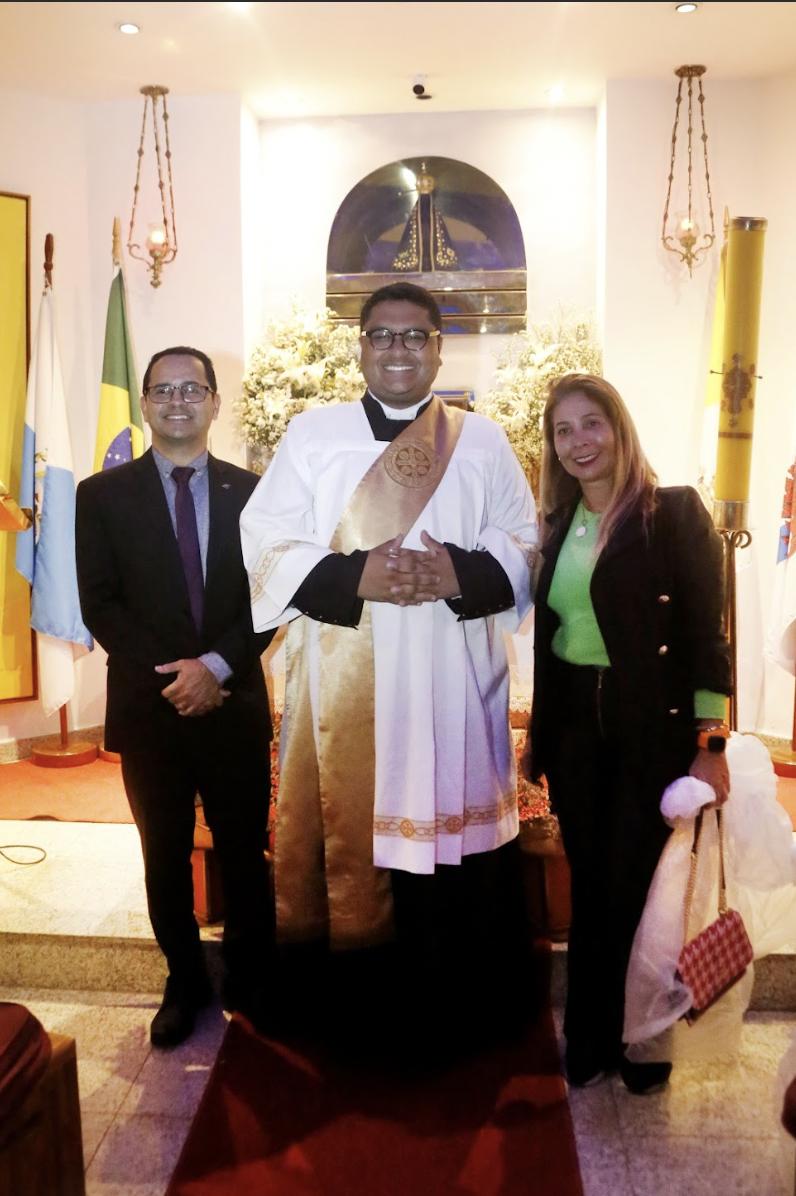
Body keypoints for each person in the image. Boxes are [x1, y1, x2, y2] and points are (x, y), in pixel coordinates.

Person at [239, 282, 537, 1037]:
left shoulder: (482, 440)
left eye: (414, 336)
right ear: (361, 347)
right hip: (345, 661)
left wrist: (458, 573)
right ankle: (352, 1021)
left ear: (440, 347)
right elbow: (265, 535)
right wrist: (354, 576)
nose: (398, 350)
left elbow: (524, 537)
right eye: (382, 336)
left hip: (451, 668)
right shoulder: (314, 435)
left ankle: (455, 1013)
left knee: (446, 825)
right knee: (353, 832)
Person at [522, 372, 731, 1093]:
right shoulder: (556, 526)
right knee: (591, 883)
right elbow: (552, 640)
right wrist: (539, 738)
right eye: (563, 431)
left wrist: (712, 743)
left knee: (638, 887)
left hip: (653, 725)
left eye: (592, 424)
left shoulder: (670, 514)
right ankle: (588, 1035)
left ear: (619, 427)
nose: (579, 442)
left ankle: (644, 1041)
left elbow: (707, 631)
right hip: (578, 722)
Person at [76, 347, 274, 1048]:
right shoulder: (100, 496)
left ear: (216, 402)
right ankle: (184, 981)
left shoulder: (255, 494)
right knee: (162, 856)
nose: (179, 400)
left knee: (246, 852)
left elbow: (269, 599)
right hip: (150, 710)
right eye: (164, 390)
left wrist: (216, 667)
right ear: (145, 404)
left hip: (233, 704)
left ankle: (252, 979)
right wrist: (179, 677)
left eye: (193, 388)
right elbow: (100, 605)